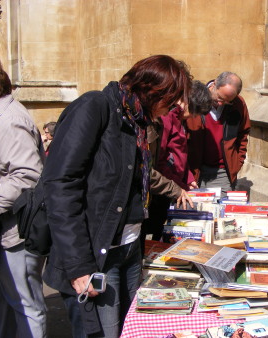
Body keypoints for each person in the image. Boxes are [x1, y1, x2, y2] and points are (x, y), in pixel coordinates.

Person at [42, 55, 192, 337]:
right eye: (169, 102)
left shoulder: (137, 122)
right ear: (152, 91)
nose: (170, 110)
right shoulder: (95, 107)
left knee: (131, 328)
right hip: (96, 255)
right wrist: (78, 268)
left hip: (129, 248)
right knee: (101, 332)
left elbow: (134, 178)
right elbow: (60, 185)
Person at [0, 56, 47, 337]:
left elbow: (26, 174)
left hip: (17, 230)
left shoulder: (9, 120)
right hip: (1, 229)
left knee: (26, 305)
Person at [142, 80, 212, 242]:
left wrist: (188, 178)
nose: (192, 117)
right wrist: (176, 186)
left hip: (173, 186)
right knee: (155, 230)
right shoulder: (167, 118)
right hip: (162, 188)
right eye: (194, 113)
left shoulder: (179, 119)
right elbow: (162, 158)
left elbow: (180, 155)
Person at [186, 72, 251, 197]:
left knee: (222, 212)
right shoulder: (194, 99)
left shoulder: (238, 104)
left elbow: (243, 133)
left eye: (228, 101)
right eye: (220, 98)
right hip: (194, 169)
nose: (221, 103)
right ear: (214, 84)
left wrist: (237, 162)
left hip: (223, 172)